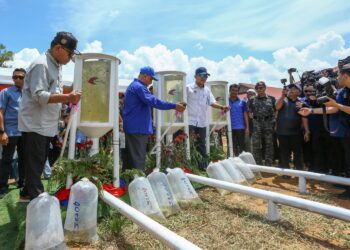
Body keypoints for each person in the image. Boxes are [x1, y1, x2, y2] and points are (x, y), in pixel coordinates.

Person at [18, 31, 82, 201]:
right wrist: (69, 98)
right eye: (69, 53)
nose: (69, 57)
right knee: (35, 162)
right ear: (58, 48)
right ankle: (36, 198)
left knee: (38, 160)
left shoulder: (55, 64)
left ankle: (26, 192)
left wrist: (75, 88)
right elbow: (39, 96)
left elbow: (56, 90)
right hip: (36, 123)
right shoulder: (42, 64)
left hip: (45, 123)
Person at [299, 63, 350, 198]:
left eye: (339, 74)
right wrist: (311, 110)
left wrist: (336, 104)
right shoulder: (343, 92)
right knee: (347, 159)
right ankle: (347, 184)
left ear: (345, 75)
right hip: (345, 132)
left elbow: (337, 106)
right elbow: (333, 109)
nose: (337, 77)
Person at [123, 66, 186, 171]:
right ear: (145, 76)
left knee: (131, 158)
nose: (151, 82)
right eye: (151, 79)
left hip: (134, 127)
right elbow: (154, 101)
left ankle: (128, 181)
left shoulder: (134, 86)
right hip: (137, 128)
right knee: (138, 158)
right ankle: (139, 182)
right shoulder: (139, 87)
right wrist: (174, 105)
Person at [187, 67, 230, 170]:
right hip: (189, 121)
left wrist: (222, 107)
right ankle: (188, 166)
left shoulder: (207, 90)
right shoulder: (188, 88)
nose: (204, 78)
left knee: (201, 144)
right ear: (195, 76)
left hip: (202, 122)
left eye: (206, 76)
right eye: (201, 75)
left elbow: (212, 102)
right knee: (187, 144)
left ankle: (202, 167)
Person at [0, 68, 26, 197]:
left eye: (21, 77)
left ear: (25, 78)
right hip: (10, 131)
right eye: (15, 77)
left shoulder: (29, 93)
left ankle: (22, 183)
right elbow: (0, 112)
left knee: (24, 159)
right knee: (6, 160)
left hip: (25, 131)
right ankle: (2, 187)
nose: (17, 79)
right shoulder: (6, 92)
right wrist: (2, 132)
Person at [275, 84, 309, 171]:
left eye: (294, 88)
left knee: (298, 153)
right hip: (282, 132)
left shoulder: (302, 103)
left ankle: (300, 171)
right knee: (284, 153)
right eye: (290, 88)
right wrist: (283, 95)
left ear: (299, 92)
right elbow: (276, 107)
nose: (291, 90)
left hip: (296, 133)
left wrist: (307, 130)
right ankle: (286, 171)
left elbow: (304, 117)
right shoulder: (283, 100)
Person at [249, 81, 276, 166]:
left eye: (261, 88)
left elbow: (275, 112)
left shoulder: (271, 98)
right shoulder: (252, 99)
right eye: (257, 88)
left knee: (269, 144)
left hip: (268, 123)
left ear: (265, 88)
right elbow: (250, 112)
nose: (259, 89)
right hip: (257, 123)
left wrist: (274, 123)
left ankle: (269, 164)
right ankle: (258, 164)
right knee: (256, 144)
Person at [228, 84, 249, 156]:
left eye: (236, 91)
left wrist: (247, 128)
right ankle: (232, 162)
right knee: (231, 146)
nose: (234, 92)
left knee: (241, 146)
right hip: (229, 128)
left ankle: (242, 162)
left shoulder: (242, 102)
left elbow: (245, 115)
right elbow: (222, 113)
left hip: (240, 127)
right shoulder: (226, 102)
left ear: (238, 92)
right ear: (229, 90)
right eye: (233, 90)